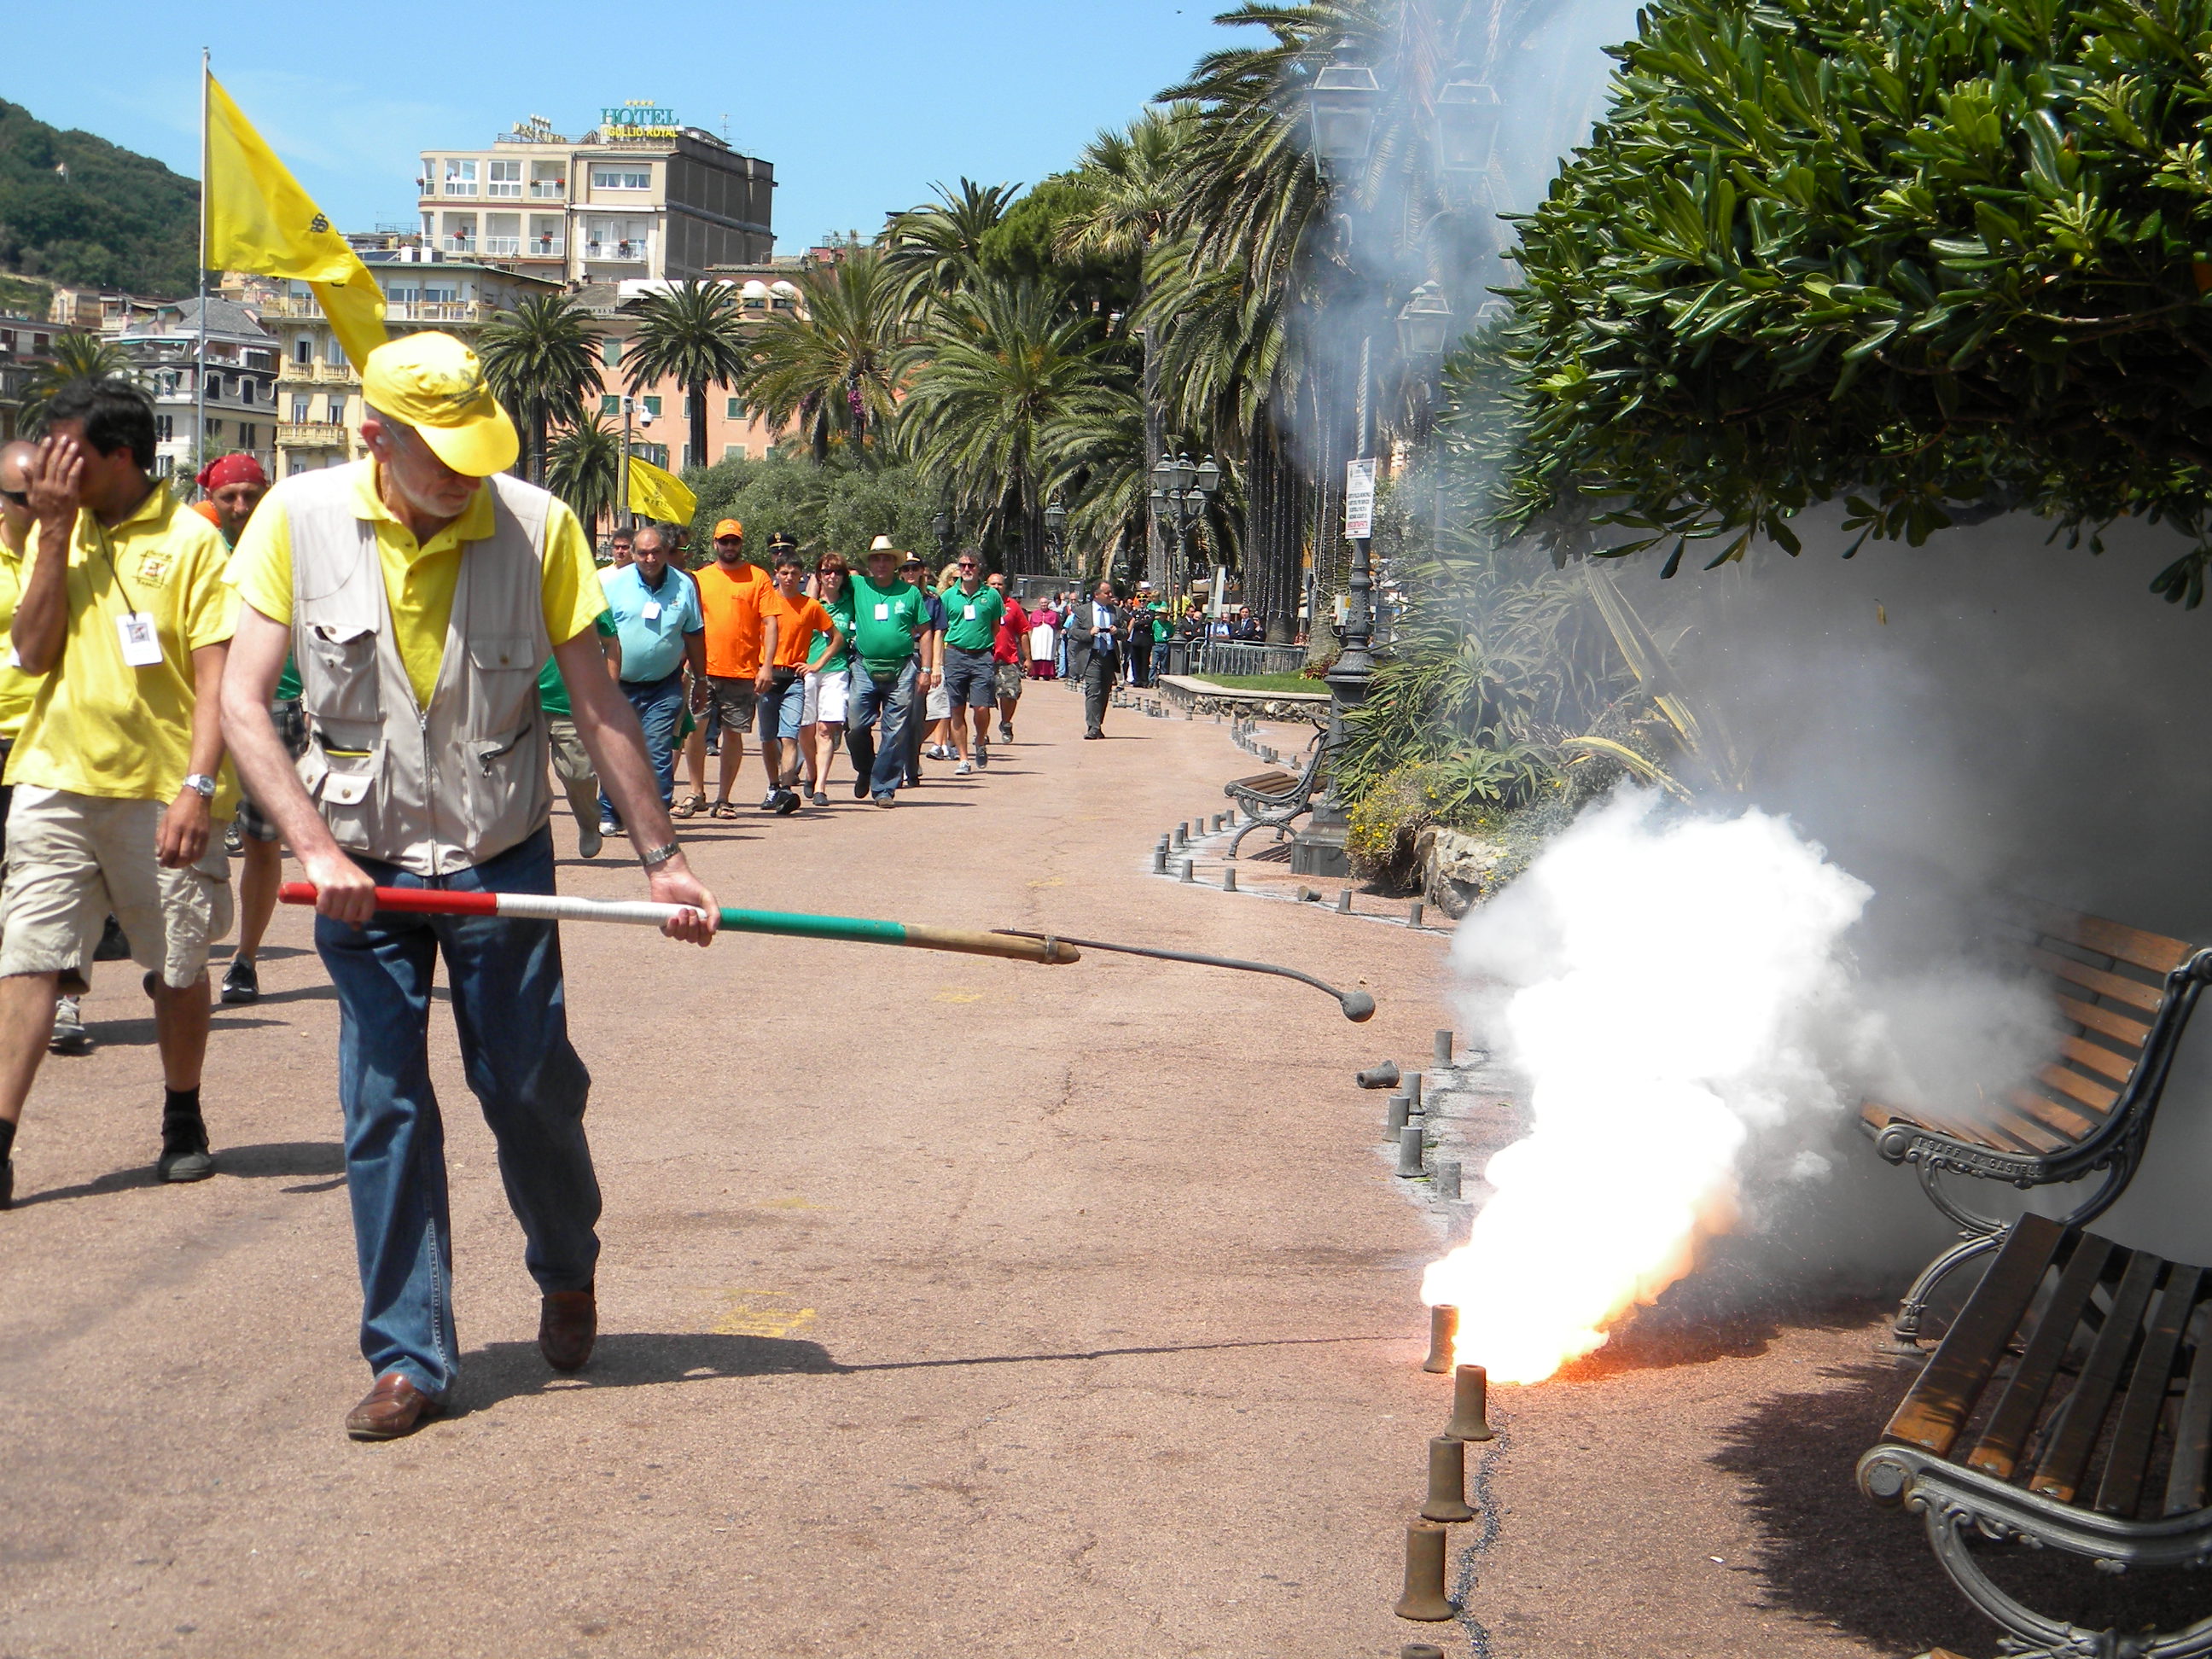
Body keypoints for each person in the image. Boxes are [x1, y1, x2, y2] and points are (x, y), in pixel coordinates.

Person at [220, 330, 718, 1440]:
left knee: (529, 1087)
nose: (459, 476)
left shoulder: (536, 527)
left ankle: (566, 1264)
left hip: (499, 854)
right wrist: (312, 848)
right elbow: (247, 704)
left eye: (470, 451)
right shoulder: (295, 522)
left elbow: (597, 704)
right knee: (384, 1102)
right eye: (435, 455)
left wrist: (663, 860)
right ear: (374, 439)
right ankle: (409, 1353)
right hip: (362, 870)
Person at [0, 381, 239, 1211]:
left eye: (71, 453)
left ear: (121, 457)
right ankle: (1, 1137)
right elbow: (30, 655)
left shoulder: (192, 541)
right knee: (28, 958)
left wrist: (197, 789)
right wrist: (56, 530)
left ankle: (182, 1116)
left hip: (158, 792)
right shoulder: (54, 532)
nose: (54, 468)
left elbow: (217, 684)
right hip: (52, 779)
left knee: (176, 967)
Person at [0, 443, 94, 1057]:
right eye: (21, 500)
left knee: (51, 881)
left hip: (52, 735)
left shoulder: (76, 549)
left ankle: (62, 997)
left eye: (45, 498)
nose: (36, 509)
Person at [597, 521, 704, 834]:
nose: (649, 558)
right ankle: (611, 811)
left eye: (656, 552)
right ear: (632, 553)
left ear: (665, 552)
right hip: (619, 684)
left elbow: (695, 634)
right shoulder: (613, 585)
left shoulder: (684, 585)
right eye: (642, 553)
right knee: (620, 749)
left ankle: (654, 816)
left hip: (664, 685)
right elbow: (596, 635)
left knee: (657, 750)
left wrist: (702, 679)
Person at [693, 518, 772, 820]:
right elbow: (687, 622)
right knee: (695, 730)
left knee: (733, 734)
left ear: (741, 544)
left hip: (742, 671)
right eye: (724, 541)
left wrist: (766, 666)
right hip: (703, 669)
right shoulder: (700, 578)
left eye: (734, 541)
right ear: (715, 543)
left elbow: (771, 622)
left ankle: (723, 798)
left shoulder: (758, 577)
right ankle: (696, 792)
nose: (729, 546)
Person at [844, 536, 928, 806]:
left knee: (895, 731)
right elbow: (825, 578)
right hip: (865, 665)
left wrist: (926, 668)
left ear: (895, 564)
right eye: (876, 558)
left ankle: (883, 789)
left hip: (902, 668)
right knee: (855, 725)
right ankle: (867, 768)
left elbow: (926, 631)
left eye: (886, 559)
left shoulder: (910, 593)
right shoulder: (857, 585)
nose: (880, 564)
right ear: (869, 563)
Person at [756, 539, 839, 812]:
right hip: (768, 677)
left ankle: (785, 789)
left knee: (789, 735)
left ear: (802, 576)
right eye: (784, 573)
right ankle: (772, 785)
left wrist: (816, 664)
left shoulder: (811, 606)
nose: (789, 578)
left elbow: (836, 639)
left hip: (794, 678)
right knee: (768, 737)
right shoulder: (766, 604)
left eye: (794, 574)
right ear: (776, 574)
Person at [538, 611, 620, 857]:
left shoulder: (585, 592)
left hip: (572, 702)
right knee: (525, 783)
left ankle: (588, 823)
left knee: (579, 775)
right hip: (525, 703)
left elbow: (611, 642)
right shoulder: (516, 589)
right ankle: (532, 848)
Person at [937, 552, 1003, 775]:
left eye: (971, 565)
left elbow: (995, 627)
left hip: (982, 656)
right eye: (963, 565)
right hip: (955, 655)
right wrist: (939, 661)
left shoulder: (991, 595)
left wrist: (983, 644)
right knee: (956, 708)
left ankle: (981, 741)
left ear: (978, 569)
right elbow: (941, 630)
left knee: (982, 707)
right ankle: (963, 759)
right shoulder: (948, 596)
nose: (966, 569)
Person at [800, 550, 853, 805]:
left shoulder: (850, 603)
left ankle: (821, 785)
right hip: (806, 667)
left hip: (836, 669)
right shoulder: (807, 602)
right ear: (818, 575)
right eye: (826, 571)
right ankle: (811, 771)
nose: (831, 576)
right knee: (805, 728)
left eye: (837, 572)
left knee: (825, 728)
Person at [903, 555, 946, 782]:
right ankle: (899, 764)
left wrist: (935, 666)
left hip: (922, 656)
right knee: (899, 713)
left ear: (922, 571)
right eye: (906, 568)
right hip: (898, 656)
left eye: (914, 568)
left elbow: (938, 633)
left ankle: (912, 761)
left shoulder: (932, 599)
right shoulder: (894, 596)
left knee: (919, 715)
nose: (910, 572)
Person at [1069, 580, 1123, 740]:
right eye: (1107, 593)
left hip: (1109, 656)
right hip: (1092, 656)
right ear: (1097, 594)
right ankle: (1093, 727)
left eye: (1110, 592)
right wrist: (1089, 633)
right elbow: (1073, 632)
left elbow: (1125, 631)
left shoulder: (1115, 611)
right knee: (1093, 691)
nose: (1110, 595)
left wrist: (1117, 631)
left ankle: (1098, 724)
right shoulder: (1083, 611)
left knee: (1104, 693)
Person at [988, 572, 1027, 743]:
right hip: (983, 657)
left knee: (1011, 693)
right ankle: (982, 731)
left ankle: (1005, 723)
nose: (996, 587)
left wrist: (1028, 658)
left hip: (1008, 658)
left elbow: (1024, 632)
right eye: (992, 584)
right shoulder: (980, 603)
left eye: (999, 584)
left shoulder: (1013, 606)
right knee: (981, 698)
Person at [1127, 582, 1157, 688]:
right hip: (1136, 640)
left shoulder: (1151, 612)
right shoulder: (1134, 613)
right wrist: (1141, 623)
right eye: (1140, 601)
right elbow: (1133, 623)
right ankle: (1137, 680)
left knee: (1145, 661)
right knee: (1135, 661)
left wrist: (1140, 622)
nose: (1142, 603)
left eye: (1144, 601)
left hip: (1146, 640)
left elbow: (1149, 622)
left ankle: (1144, 680)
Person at [1027, 595, 1058, 681]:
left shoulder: (1053, 614)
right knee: (1036, 652)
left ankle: (1046, 674)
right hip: (1037, 635)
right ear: (1039, 604)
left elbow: (1057, 625)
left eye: (1045, 603)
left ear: (1048, 603)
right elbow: (1031, 625)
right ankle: (1035, 673)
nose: (1044, 604)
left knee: (1047, 652)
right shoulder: (1034, 613)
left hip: (1049, 635)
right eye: (1042, 603)